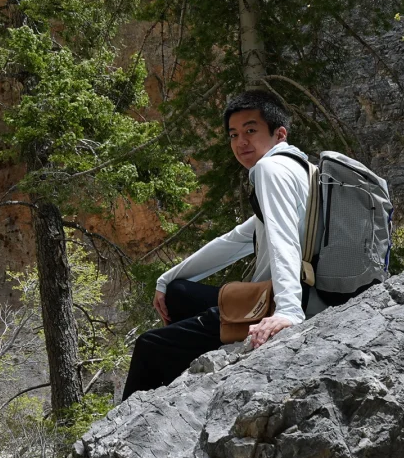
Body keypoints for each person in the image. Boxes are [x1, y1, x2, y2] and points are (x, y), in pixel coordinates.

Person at [121, 90, 311, 400]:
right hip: (285, 295)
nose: (240, 142)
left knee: (149, 346)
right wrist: (166, 279)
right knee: (177, 292)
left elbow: (283, 237)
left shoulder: (270, 170)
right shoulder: (300, 169)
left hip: (279, 302)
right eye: (234, 134)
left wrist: (288, 312)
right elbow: (236, 240)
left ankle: (147, 418)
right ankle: (192, 367)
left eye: (251, 130)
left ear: (279, 134)